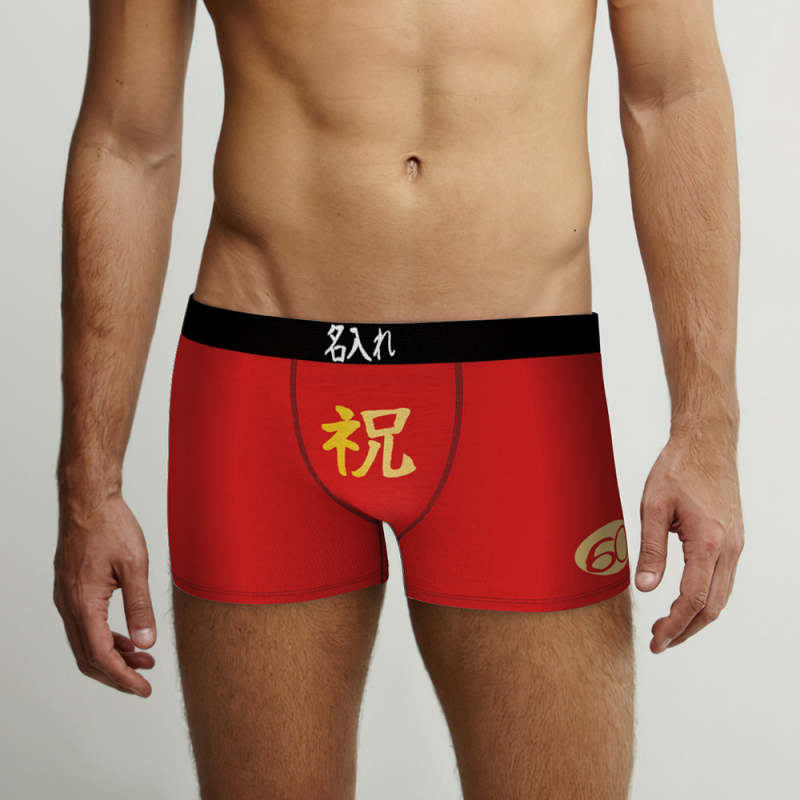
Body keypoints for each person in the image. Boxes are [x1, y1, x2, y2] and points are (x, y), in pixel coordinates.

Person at [53, 0, 744, 797]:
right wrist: (89, 484)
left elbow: (673, 95)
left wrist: (707, 427)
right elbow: (126, 142)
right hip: (263, 386)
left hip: (521, 396)